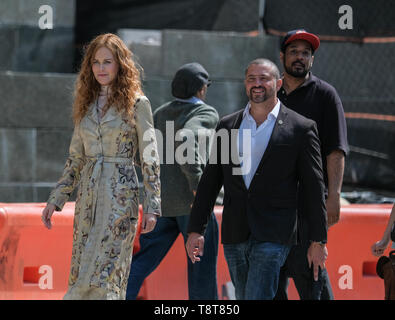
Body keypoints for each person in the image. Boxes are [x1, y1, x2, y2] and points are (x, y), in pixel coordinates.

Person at [186, 58, 328, 300]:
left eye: (264, 78)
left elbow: (314, 187)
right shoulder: (227, 126)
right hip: (235, 232)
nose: (257, 84)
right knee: (243, 296)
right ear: (245, 84)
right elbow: (210, 181)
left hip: (275, 233)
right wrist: (195, 230)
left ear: (279, 83)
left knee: (256, 296)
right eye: (252, 79)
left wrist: (319, 240)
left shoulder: (301, 128)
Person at [41, 33, 161, 300]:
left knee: (107, 272)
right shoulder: (85, 105)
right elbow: (76, 158)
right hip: (88, 197)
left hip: (120, 198)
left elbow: (151, 157)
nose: (101, 68)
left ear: (120, 64)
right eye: (95, 62)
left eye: (107, 62)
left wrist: (153, 206)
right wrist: (56, 198)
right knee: (82, 267)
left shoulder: (137, 104)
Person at [125, 62, 219, 300]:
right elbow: (187, 138)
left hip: (162, 205)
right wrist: (197, 184)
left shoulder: (162, 112)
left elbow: (142, 152)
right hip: (192, 205)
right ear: (200, 89)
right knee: (201, 271)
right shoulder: (205, 113)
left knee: (141, 263)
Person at [274, 29, 349, 300]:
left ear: (312, 60)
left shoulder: (326, 95)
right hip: (270, 206)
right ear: (282, 56)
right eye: (294, 51)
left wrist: (334, 196)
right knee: (271, 282)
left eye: (306, 53)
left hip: (308, 206)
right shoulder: (269, 93)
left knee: (311, 277)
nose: (300, 57)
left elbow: (336, 150)